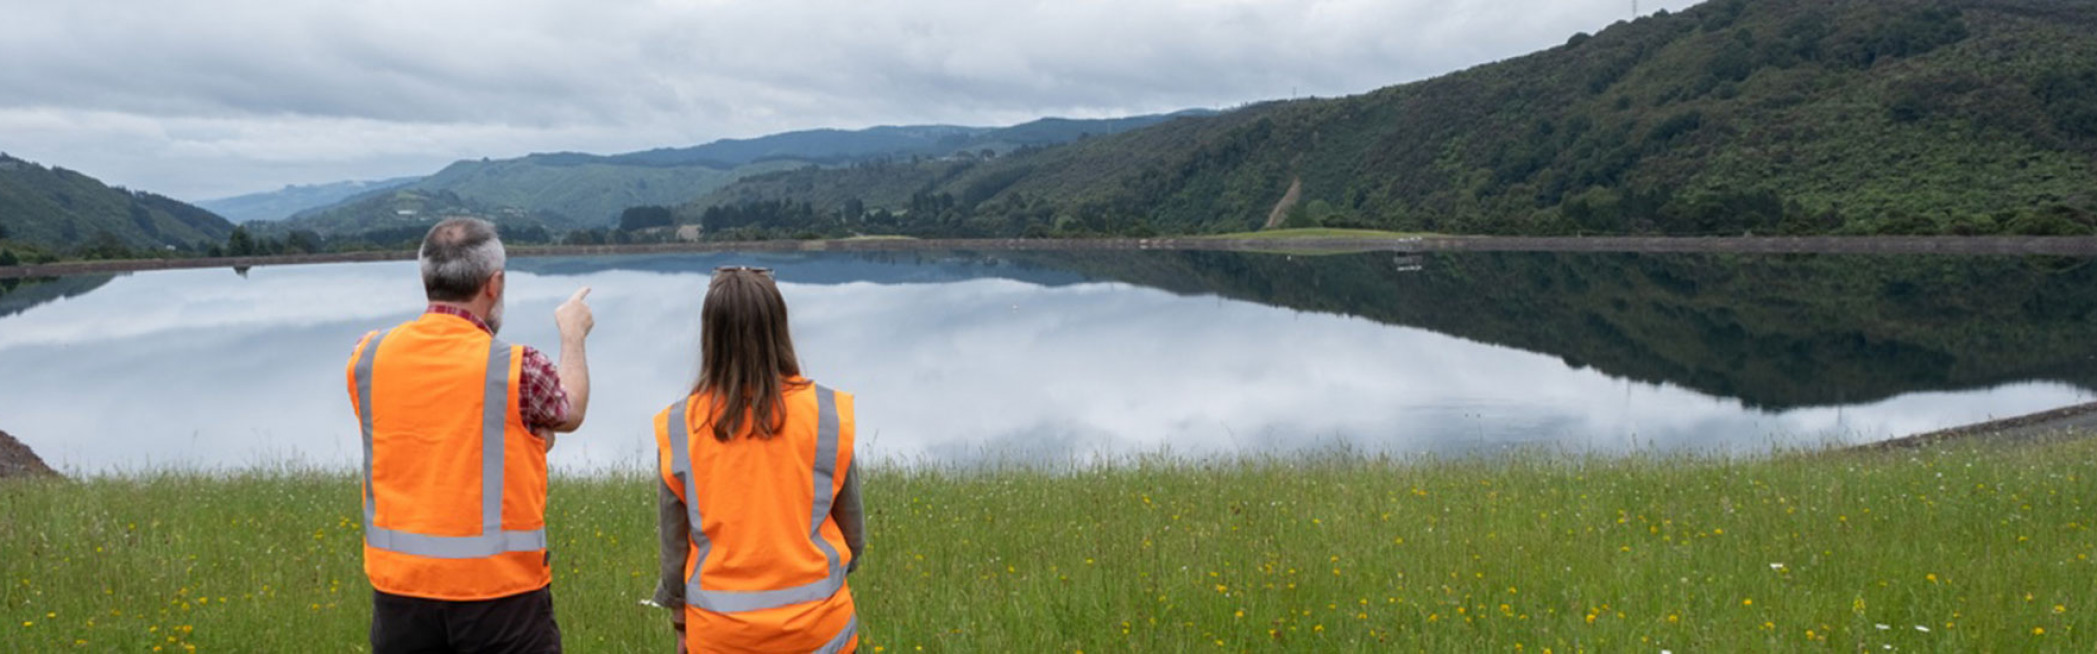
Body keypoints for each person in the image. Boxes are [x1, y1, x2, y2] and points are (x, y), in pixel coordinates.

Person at [346, 217, 594, 653]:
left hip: (399, 593)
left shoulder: (368, 356)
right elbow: (569, 411)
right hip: (500, 595)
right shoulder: (518, 367)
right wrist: (572, 335)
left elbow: (428, 427)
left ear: (426, 279)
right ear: (493, 284)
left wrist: (525, 435)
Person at [653, 266, 865, 653]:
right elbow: (854, 537)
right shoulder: (828, 414)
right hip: (821, 634)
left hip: (721, 639)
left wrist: (682, 624)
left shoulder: (680, 426)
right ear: (779, 328)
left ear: (710, 335)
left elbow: (674, 556)